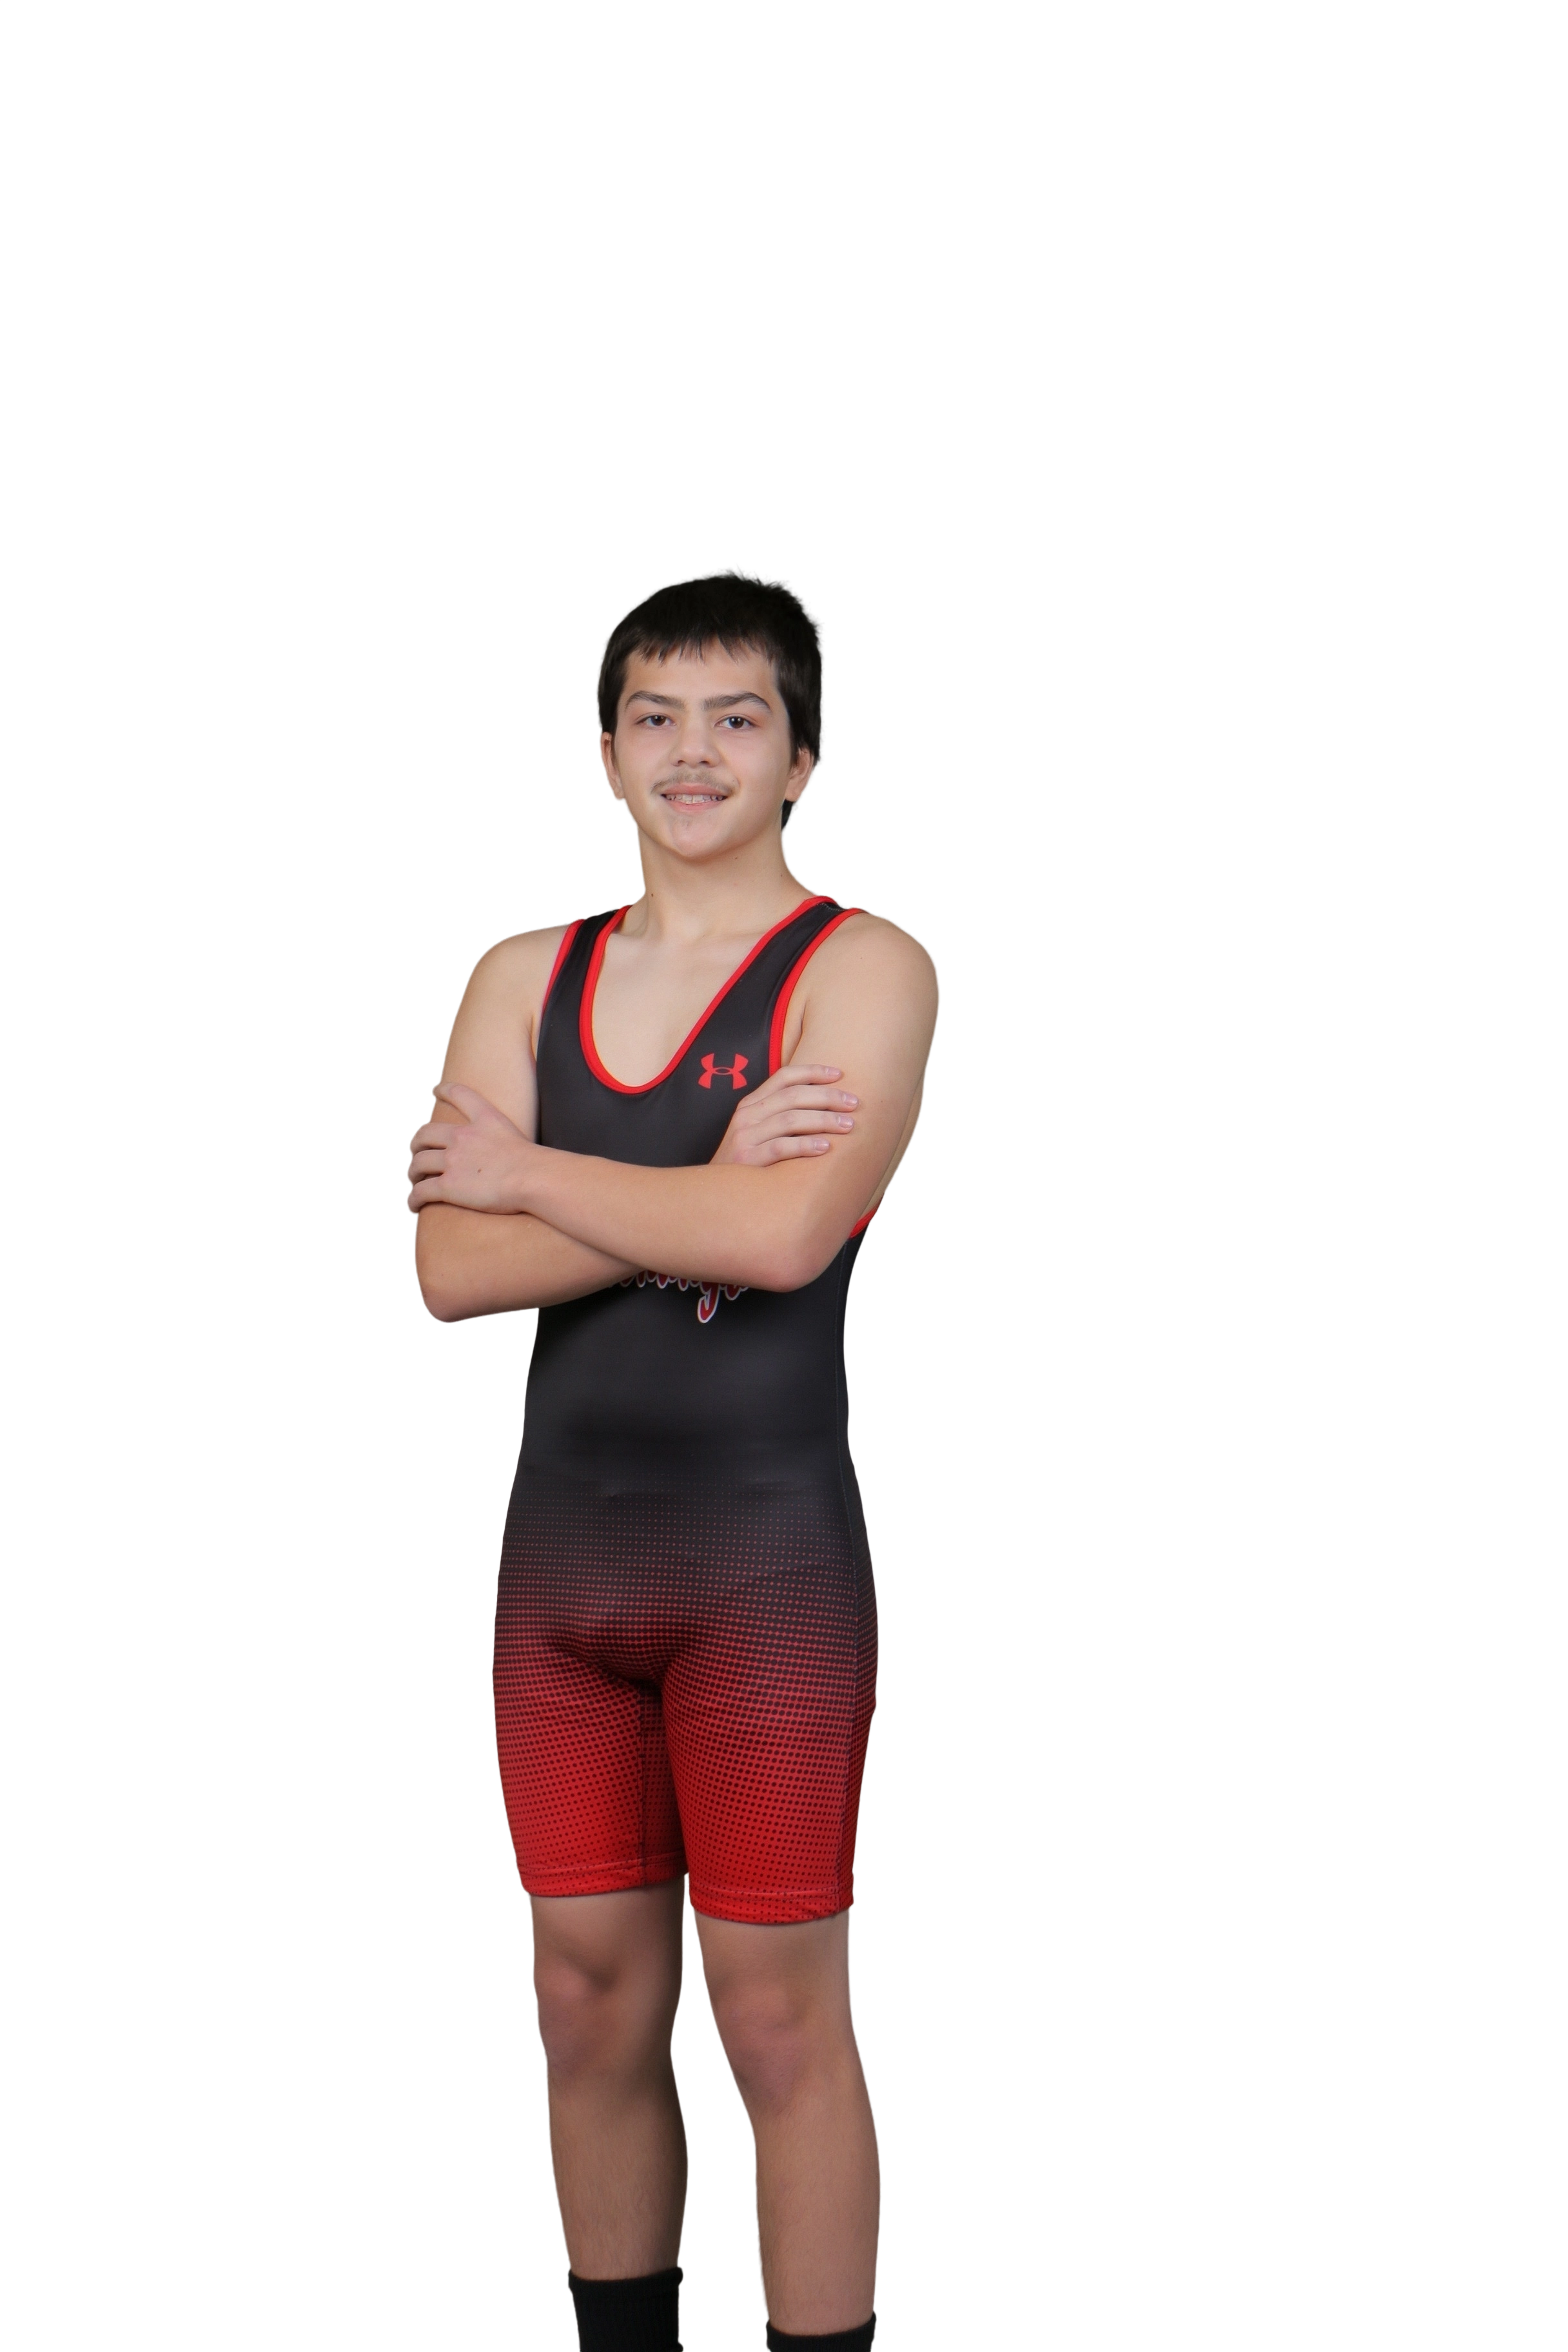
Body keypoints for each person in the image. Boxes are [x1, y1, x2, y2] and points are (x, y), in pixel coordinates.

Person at [402, 564, 941, 2352]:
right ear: (607, 754)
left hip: (763, 1567)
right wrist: (700, 1178)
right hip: (561, 1565)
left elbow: (785, 1241)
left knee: (778, 2015)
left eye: (736, 718)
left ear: (802, 759)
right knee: (584, 2000)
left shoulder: (865, 968)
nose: (692, 752)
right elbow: (449, 1269)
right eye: (655, 717)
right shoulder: (524, 974)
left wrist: (542, 1177)